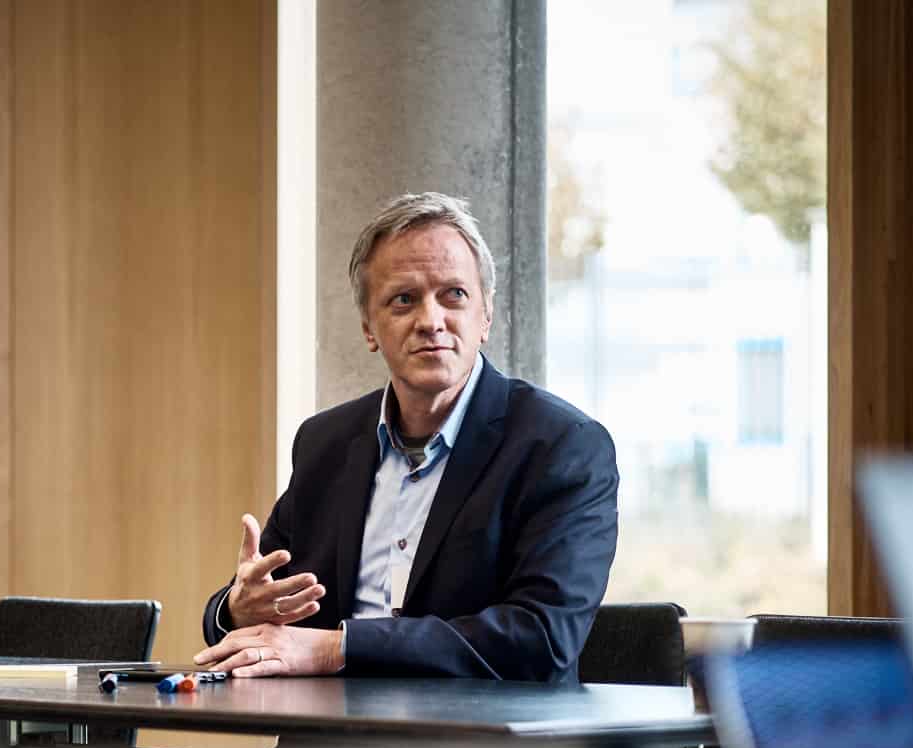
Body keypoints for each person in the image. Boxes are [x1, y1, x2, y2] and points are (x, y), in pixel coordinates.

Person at [194, 192, 618, 682]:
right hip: (327, 726)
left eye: (454, 295)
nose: (431, 321)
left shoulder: (563, 447)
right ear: (368, 328)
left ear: (485, 315)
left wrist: (338, 648)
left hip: (477, 728)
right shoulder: (325, 443)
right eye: (404, 300)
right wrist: (237, 609)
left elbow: (541, 637)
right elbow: (264, 606)